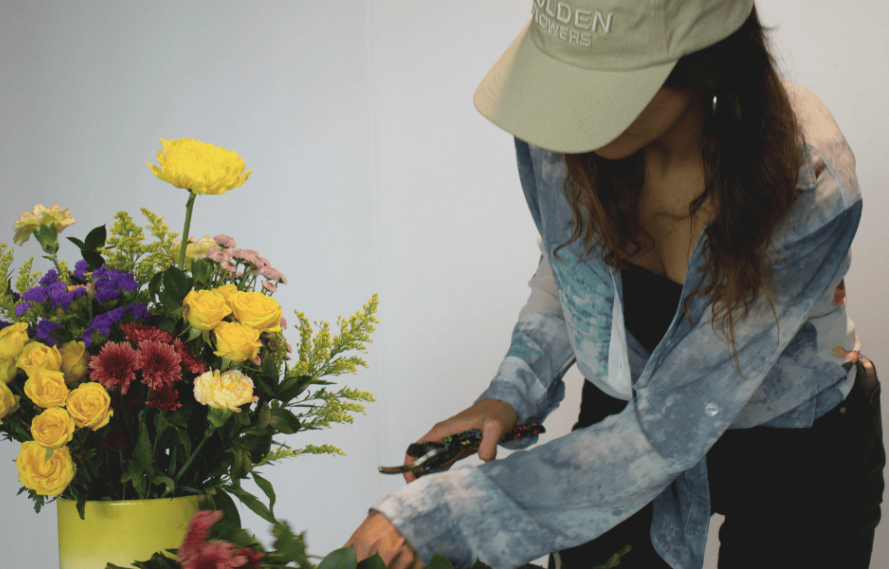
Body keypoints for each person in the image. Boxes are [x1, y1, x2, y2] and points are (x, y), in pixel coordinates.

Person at [344, 1, 885, 568]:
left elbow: (674, 425)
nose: (574, 109)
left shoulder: (806, 178)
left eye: (603, 84)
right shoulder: (567, 131)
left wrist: (440, 515)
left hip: (796, 442)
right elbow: (572, 273)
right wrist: (509, 391)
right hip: (628, 413)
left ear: (705, 61)